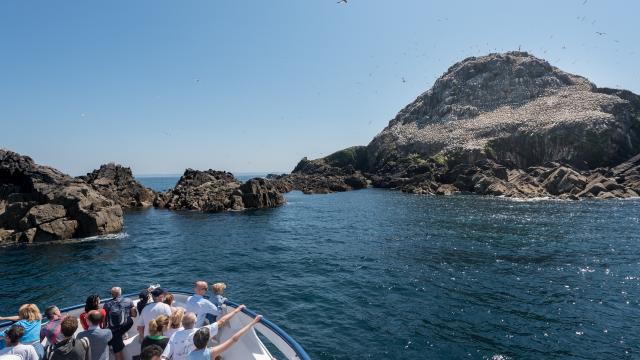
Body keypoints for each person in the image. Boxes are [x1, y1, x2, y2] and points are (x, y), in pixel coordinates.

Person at [161, 305, 245, 360]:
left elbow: (165, 356)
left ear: (182, 323)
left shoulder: (175, 335)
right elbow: (221, 322)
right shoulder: (201, 332)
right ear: (195, 322)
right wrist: (236, 311)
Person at [187, 315, 262, 360]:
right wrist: (253, 322)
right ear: (207, 341)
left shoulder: (190, 354)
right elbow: (234, 339)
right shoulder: (210, 352)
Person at [103, 287, 137, 360]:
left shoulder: (106, 304)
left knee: (115, 338)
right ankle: (123, 334)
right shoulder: (128, 301)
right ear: (120, 293)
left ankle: (120, 337)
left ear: (112, 295)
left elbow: (105, 322)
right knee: (129, 319)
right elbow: (134, 314)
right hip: (126, 325)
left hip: (113, 328)